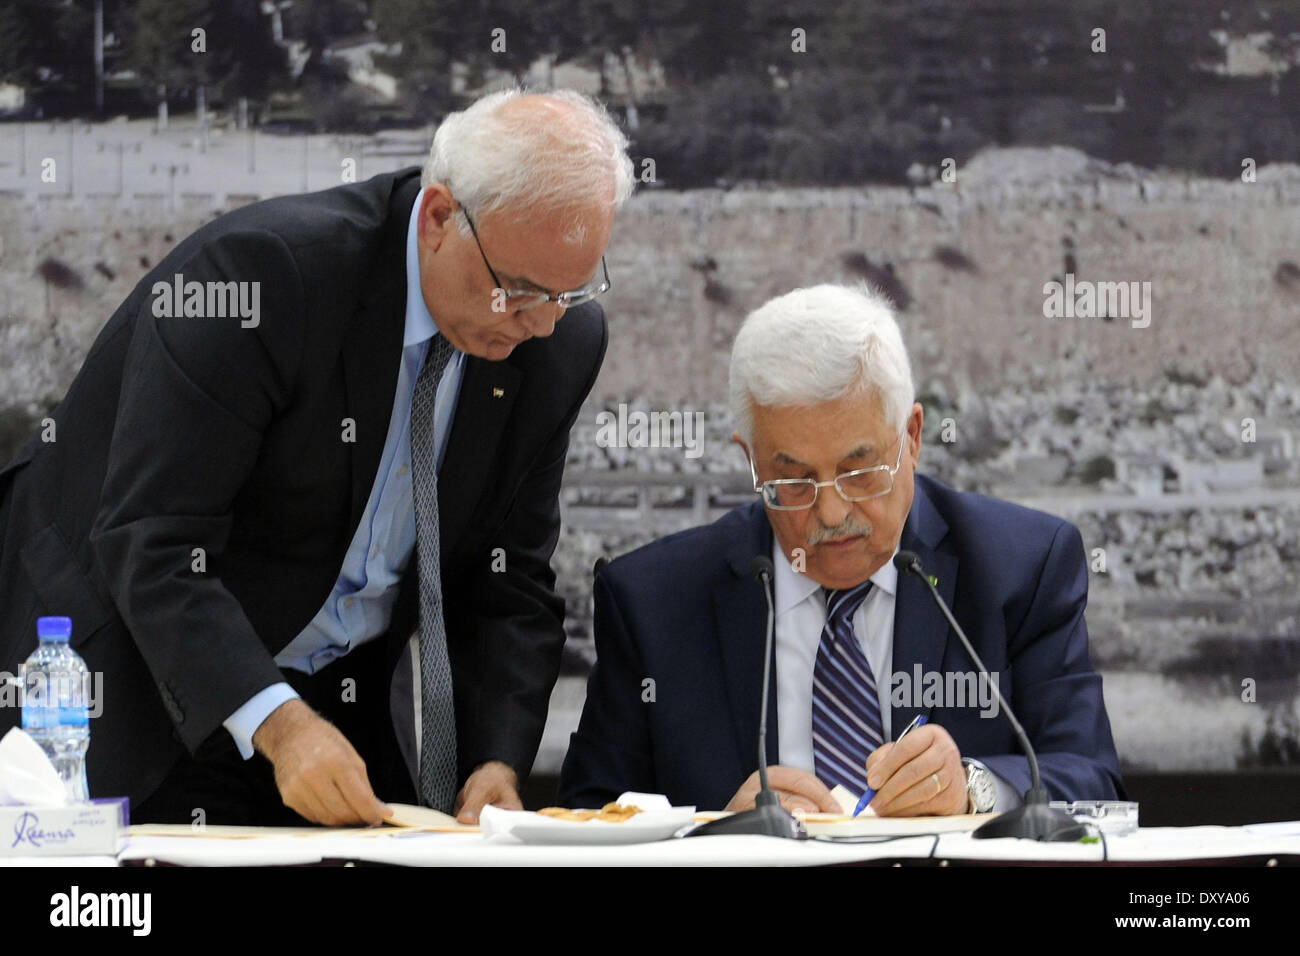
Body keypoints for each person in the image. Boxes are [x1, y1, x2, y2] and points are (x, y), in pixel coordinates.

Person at [0, 88, 634, 826]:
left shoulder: (559, 346)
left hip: (341, 702)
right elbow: (154, 541)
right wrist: (280, 725)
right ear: (437, 219)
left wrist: (496, 761)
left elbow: (510, 577)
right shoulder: (264, 280)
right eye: (519, 291)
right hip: (141, 681)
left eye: (571, 291)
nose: (542, 325)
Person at [558, 283, 1125, 815]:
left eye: (860, 471)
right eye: (796, 482)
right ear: (751, 460)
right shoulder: (653, 602)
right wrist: (716, 838)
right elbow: (590, 820)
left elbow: (1091, 782)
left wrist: (973, 789)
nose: (831, 514)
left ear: (912, 436)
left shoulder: (1021, 568)